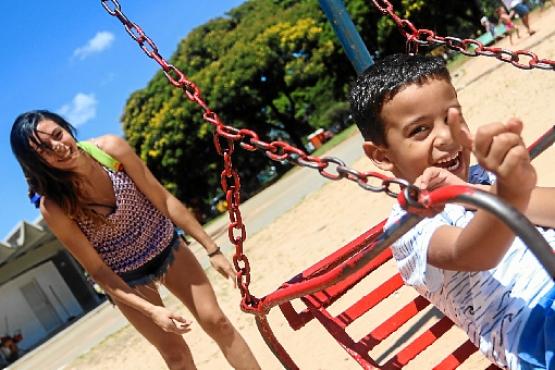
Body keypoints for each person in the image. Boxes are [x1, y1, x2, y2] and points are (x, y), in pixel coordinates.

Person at [10, 110, 261, 370]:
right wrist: (151, 311)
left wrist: (212, 249)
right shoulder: (55, 206)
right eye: (44, 150)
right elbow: (97, 270)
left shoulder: (109, 149)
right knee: (176, 355)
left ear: (66, 127)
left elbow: (163, 199)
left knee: (216, 321)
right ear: (36, 163)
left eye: (57, 134)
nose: (58, 147)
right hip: (123, 277)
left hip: (163, 243)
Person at [349, 54, 555, 369]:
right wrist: (510, 193)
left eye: (452, 117)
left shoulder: (482, 178)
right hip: (534, 331)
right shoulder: (407, 225)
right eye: (420, 130)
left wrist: (476, 193)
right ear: (382, 155)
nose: (446, 137)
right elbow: (474, 252)